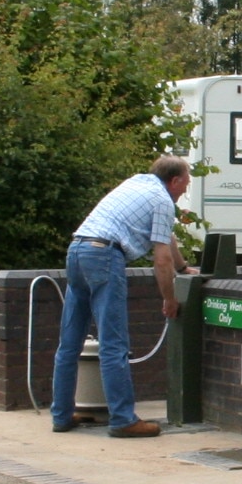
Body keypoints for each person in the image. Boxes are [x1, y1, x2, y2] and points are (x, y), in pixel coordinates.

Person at [53, 155, 189, 437]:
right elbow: (161, 259)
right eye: (186, 183)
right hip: (104, 255)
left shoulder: (137, 183)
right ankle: (123, 419)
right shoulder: (162, 200)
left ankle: (61, 416)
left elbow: (165, 237)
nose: (186, 189)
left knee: (69, 343)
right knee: (114, 344)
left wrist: (184, 267)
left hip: (77, 251)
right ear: (174, 181)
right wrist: (169, 298)